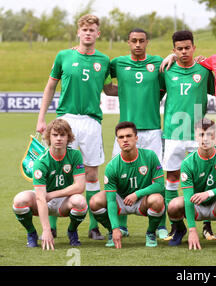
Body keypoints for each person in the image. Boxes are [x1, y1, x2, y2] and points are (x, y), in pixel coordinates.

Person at [35, 14, 114, 240]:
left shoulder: (105, 60)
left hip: (91, 121)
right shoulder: (64, 56)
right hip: (66, 119)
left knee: (90, 172)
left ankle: (93, 226)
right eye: (84, 30)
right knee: (57, 167)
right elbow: (50, 87)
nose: (88, 33)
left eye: (92, 30)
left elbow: (109, 89)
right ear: (78, 33)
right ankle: (51, 225)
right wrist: (42, 119)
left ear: (98, 34)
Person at [108, 27, 166, 238]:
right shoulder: (118, 63)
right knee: (120, 177)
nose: (138, 44)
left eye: (142, 40)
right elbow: (105, 84)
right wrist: (120, 90)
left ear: (147, 41)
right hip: (126, 131)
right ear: (128, 41)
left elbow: (170, 74)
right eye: (134, 41)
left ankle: (160, 226)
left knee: (158, 178)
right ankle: (121, 226)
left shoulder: (159, 62)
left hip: (152, 130)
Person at [161, 30, 216, 240]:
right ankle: (176, 226)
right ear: (173, 50)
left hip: (199, 133)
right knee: (172, 177)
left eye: (187, 48)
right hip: (173, 132)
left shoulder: (203, 70)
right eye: (179, 49)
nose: (184, 52)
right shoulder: (166, 68)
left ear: (194, 48)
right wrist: (169, 58)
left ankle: (207, 225)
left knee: (204, 179)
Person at [12, 118, 87, 250]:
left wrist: (52, 194)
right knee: (19, 201)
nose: (59, 138)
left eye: (62, 135)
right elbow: (40, 198)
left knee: (80, 202)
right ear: (49, 137)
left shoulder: (75, 155)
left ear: (68, 137)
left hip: (64, 201)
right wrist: (46, 230)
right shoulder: (41, 162)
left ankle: (72, 231)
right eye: (55, 135)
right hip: (43, 199)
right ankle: (31, 233)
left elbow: (80, 187)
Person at [89, 121, 165, 248]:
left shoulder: (150, 156)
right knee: (95, 201)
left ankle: (151, 233)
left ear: (136, 138)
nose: (125, 140)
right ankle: (112, 232)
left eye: (129, 136)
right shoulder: (112, 166)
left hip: (142, 200)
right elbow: (111, 200)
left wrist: (137, 194)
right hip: (121, 201)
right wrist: (115, 228)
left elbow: (159, 185)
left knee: (157, 199)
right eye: (121, 137)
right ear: (117, 141)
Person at [167, 118, 216, 249]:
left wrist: (208, 193)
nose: (205, 139)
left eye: (209, 135)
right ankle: (180, 230)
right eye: (201, 134)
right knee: (173, 205)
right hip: (196, 207)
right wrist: (192, 230)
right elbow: (188, 199)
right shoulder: (187, 163)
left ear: (215, 136)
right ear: (195, 136)